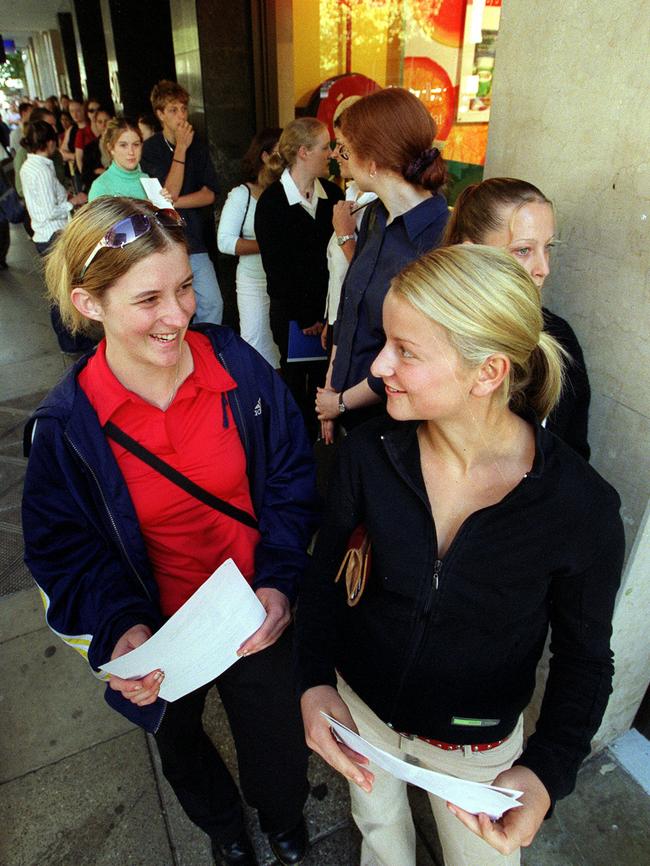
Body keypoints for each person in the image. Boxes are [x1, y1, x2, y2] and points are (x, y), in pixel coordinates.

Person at [296, 244, 624, 866]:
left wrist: (545, 771)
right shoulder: (369, 456)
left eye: (406, 351)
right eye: (385, 340)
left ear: (488, 372)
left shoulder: (578, 510)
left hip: (478, 755)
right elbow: (324, 578)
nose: (379, 365)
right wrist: (313, 682)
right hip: (360, 711)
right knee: (379, 836)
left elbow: (585, 660)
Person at [22, 196, 317, 866]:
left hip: (254, 612)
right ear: (89, 303)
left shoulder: (237, 368)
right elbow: (61, 552)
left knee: (275, 738)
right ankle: (223, 826)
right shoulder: (68, 429)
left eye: (183, 288)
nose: (178, 316)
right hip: (161, 634)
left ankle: (282, 816)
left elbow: (293, 481)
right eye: (148, 299)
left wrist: (279, 580)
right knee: (180, 744)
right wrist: (120, 626)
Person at [314, 88, 449, 443]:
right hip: (344, 406)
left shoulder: (439, 237)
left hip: (392, 424)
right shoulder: (374, 215)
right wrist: (331, 391)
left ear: (372, 161)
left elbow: (414, 353)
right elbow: (350, 308)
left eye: (344, 149)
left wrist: (340, 403)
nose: (337, 157)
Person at [442, 177, 591, 460]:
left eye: (548, 247)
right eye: (523, 250)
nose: (543, 268)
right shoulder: (433, 328)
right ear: (471, 251)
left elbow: (573, 453)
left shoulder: (558, 337)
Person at [255, 117, 343, 427]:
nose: (331, 153)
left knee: (325, 383)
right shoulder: (272, 203)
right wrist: (306, 318)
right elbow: (277, 271)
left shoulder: (333, 196)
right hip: (293, 316)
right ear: (303, 152)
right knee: (294, 386)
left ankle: (323, 447)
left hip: (328, 315)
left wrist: (324, 316)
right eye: (325, 147)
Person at [142, 80, 223, 325]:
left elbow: (209, 194)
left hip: (195, 239)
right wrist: (180, 150)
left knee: (212, 302)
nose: (181, 116)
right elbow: (168, 191)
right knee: (177, 307)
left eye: (183, 109)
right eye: (173, 110)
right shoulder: (151, 148)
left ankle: (206, 351)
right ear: (160, 115)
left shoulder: (198, 147)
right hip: (165, 239)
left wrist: (174, 203)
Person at [19, 120, 91, 354]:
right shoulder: (40, 169)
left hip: (46, 234)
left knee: (63, 289)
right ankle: (70, 342)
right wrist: (73, 201)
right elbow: (49, 210)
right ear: (49, 142)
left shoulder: (31, 166)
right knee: (62, 292)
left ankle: (74, 339)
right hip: (52, 234)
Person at [217, 127, 282, 368]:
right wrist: (269, 245)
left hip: (283, 282)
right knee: (255, 342)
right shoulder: (241, 195)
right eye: (280, 151)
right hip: (253, 281)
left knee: (280, 347)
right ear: (265, 156)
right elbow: (225, 242)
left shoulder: (287, 194)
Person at [323, 106, 377, 353]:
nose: (334, 154)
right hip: (340, 319)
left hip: (359, 328)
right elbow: (338, 275)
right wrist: (330, 320)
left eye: (341, 145)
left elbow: (371, 277)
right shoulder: (352, 192)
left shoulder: (380, 206)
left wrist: (345, 235)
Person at [88, 117, 153, 201]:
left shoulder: (147, 180)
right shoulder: (101, 187)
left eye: (136, 144)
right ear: (111, 148)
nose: (131, 152)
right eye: (123, 145)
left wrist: (164, 206)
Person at [81, 107, 113, 191]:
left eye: (106, 121)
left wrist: (100, 171)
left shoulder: (123, 143)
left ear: (113, 120)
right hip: (101, 190)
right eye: (100, 122)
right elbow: (85, 175)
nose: (103, 125)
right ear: (95, 124)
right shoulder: (90, 148)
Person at [74, 98, 101, 173]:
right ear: (87, 114)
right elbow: (79, 159)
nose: (95, 113)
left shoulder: (107, 131)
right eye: (91, 111)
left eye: (98, 110)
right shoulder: (81, 133)